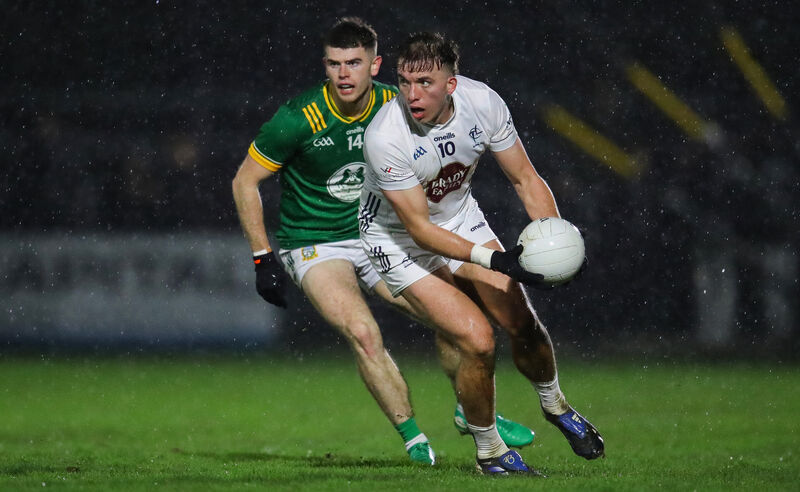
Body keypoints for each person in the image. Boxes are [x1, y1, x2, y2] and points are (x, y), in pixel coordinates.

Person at [231, 18, 534, 466]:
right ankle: (414, 440)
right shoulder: (298, 118)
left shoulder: (401, 105)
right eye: (334, 64)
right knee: (364, 333)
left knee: (456, 321)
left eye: (354, 62)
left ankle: (466, 412)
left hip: (379, 234)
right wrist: (262, 257)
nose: (344, 74)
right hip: (315, 242)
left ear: (375, 66)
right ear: (325, 67)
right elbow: (244, 182)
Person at [358, 31, 605, 475]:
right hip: (397, 241)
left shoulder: (483, 102)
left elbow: (526, 180)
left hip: (458, 218)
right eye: (404, 82)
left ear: (451, 85)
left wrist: (557, 239)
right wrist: (498, 259)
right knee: (476, 339)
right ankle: (490, 452)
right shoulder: (385, 136)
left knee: (520, 321)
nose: (412, 95)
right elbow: (419, 228)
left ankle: (555, 406)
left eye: (425, 84)